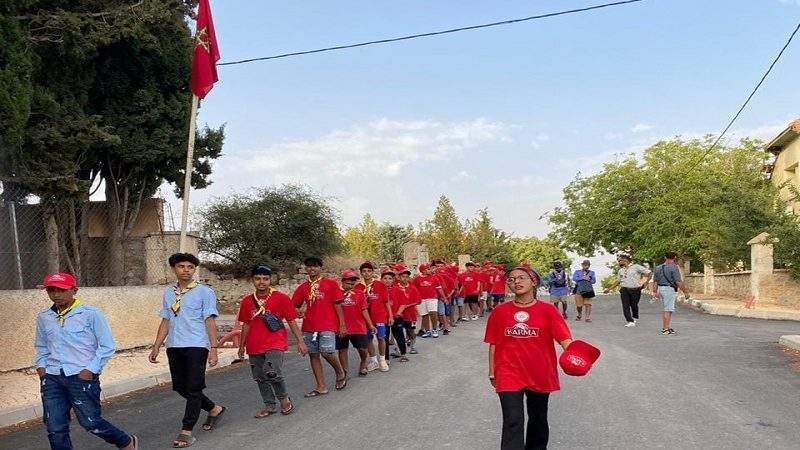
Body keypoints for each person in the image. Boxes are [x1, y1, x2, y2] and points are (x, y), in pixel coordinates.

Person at [34, 272, 138, 450]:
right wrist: (41, 367)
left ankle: (125, 441)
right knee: (55, 427)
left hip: (80, 377)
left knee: (91, 422)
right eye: (51, 290)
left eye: (61, 290)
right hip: (52, 377)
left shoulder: (91, 314)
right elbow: (41, 346)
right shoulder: (45, 317)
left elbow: (107, 346)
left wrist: (90, 370)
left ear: (74, 290)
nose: (56, 294)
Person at [485, 266, 573, 450]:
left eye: (522, 278)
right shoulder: (500, 312)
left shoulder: (548, 310)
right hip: (508, 372)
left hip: (540, 371)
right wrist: (492, 372)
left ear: (534, 282)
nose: (516, 281)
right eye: (511, 279)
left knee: (538, 418)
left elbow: (564, 339)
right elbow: (494, 343)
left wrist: (575, 356)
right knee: (512, 420)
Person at [149, 253, 225, 448]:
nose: (186, 270)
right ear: (174, 269)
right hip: (175, 345)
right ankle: (214, 408)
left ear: (194, 270)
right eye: (181, 266)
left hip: (197, 345)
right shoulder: (168, 292)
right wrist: (157, 345)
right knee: (181, 387)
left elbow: (210, 321)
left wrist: (213, 348)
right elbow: (166, 319)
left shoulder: (204, 292)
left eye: (190, 267)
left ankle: (186, 431)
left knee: (193, 388)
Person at [236, 265, 307, 418]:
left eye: (265, 279)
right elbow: (246, 324)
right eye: (258, 279)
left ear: (270, 280)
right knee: (260, 376)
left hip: (275, 342)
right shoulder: (247, 301)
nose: (262, 282)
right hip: (254, 344)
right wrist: (241, 346)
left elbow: (291, 321)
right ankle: (269, 405)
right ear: (252, 280)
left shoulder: (281, 298)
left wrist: (300, 341)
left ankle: (284, 399)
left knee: (272, 371)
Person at [291, 256, 348, 396]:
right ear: (306, 268)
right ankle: (321, 386)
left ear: (320, 268)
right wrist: (298, 311)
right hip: (309, 326)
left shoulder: (331, 284)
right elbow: (294, 305)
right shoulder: (303, 287)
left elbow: (338, 304)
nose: (312, 268)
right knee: (314, 355)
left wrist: (342, 324)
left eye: (315, 266)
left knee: (327, 352)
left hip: (328, 324)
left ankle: (340, 371)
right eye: (309, 266)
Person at [338, 270, 377, 376]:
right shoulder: (336, 293)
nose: (350, 286)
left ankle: (363, 362)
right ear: (342, 281)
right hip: (342, 327)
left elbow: (364, 309)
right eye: (348, 283)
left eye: (352, 284)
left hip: (358, 326)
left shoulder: (359, 293)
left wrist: (370, 324)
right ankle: (344, 372)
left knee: (363, 349)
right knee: (342, 349)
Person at [355, 262, 391, 372]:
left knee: (381, 338)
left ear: (372, 272)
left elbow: (386, 302)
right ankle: (374, 360)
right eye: (364, 271)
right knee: (368, 339)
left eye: (369, 271)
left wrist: (390, 315)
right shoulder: (358, 287)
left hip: (379, 316)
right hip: (365, 318)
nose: (366, 273)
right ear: (361, 273)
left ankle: (382, 360)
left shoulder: (380, 285)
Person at [603, 255, 652, 327]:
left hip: (635, 289)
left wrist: (646, 282)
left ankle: (634, 317)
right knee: (625, 306)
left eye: (620, 261)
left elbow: (649, 273)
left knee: (634, 305)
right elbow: (618, 281)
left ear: (625, 260)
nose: (619, 262)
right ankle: (630, 321)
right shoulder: (620, 270)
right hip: (624, 289)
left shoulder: (636, 267)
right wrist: (609, 289)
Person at [651, 251, 689, 335]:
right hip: (669, 290)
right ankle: (665, 329)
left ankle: (666, 327)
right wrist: (685, 292)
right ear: (675, 257)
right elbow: (678, 282)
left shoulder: (658, 268)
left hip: (661, 289)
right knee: (668, 310)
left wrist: (655, 292)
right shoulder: (674, 267)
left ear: (665, 257)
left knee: (666, 309)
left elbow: (655, 282)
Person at [388, 265, 419, 362]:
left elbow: (418, 301)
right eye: (403, 276)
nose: (405, 278)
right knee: (399, 333)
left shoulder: (412, 288)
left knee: (411, 331)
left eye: (407, 277)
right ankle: (399, 350)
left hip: (410, 314)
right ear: (398, 277)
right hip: (400, 315)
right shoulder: (395, 288)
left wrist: (407, 305)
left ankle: (413, 346)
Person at [412, 262, 445, 338]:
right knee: (424, 315)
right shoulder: (417, 279)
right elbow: (413, 289)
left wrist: (444, 297)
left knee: (433, 313)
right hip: (421, 299)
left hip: (432, 298)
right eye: (428, 269)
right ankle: (427, 331)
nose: (430, 270)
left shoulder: (434, 277)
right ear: (423, 270)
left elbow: (439, 288)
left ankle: (434, 329)